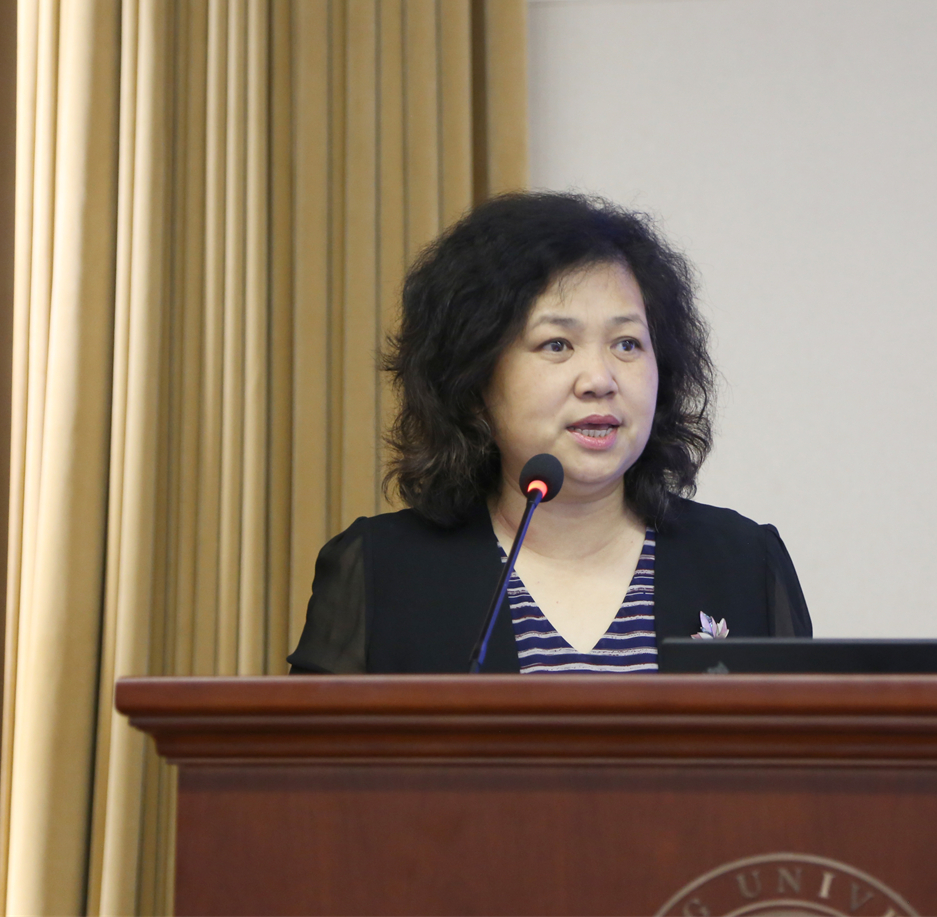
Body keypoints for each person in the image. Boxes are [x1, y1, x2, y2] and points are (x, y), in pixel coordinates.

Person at [287, 192, 810, 674]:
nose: (600, 379)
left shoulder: (744, 563)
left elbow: (806, 745)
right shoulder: (383, 572)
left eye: (627, 344)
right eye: (557, 345)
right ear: (475, 376)